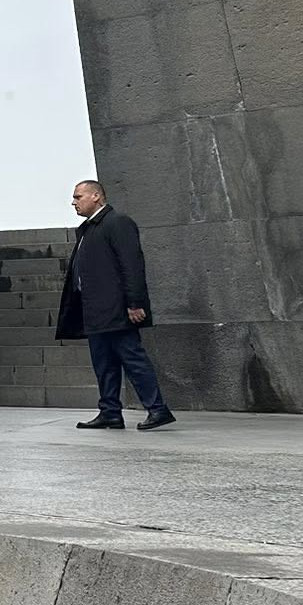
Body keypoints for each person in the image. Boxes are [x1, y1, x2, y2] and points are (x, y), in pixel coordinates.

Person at [61, 180, 175, 431]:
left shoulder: (118, 223)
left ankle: (158, 409)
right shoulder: (88, 229)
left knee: (133, 359)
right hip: (94, 311)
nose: (73, 202)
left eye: (78, 197)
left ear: (96, 196)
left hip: (116, 310)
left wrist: (135, 303)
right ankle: (110, 412)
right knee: (104, 364)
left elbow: (132, 265)